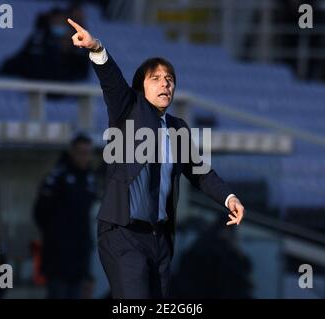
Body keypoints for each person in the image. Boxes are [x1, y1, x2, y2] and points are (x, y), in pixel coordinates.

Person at [67, 18, 245, 299]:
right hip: (123, 233)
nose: (165, 84)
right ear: (141, 87)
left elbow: (199, 172)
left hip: (159, 238)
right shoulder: (128, 109)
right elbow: (111, 81)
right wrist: (96, 48)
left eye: (170, 79)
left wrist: (228, 198)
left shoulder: (177, 127)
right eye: (157, 78)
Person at [33, 134, 96, 299]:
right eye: (81, 152)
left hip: (79, 255)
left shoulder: (89, 179)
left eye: (87, 153)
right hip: (58, 256)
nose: (84, 157)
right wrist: (56, 236)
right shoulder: (56, 178)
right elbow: (40, 212)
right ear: (72, 153)